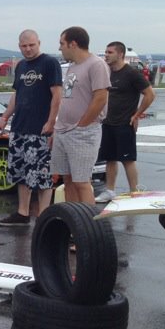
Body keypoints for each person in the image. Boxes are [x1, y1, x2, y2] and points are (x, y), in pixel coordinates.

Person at [0, 30, 62, 227]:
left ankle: (43, 216)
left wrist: (51, 122)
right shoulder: (21, 66)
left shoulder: (50, 63)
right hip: (19, 127)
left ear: (39, 43)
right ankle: (22, 213)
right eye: (24, 46)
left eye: (31, 45)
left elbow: (57, 94)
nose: (28, 49)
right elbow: (17, 94)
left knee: (42, 175)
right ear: (19, 47)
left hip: (40, 129)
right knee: (21, 172)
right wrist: (5, 117)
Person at [52, 26, 110, 205]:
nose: (60, 48)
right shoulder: (72, 66)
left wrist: (82, 124)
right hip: (63, 130)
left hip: (82, 132)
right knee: (68, 179)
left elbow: (101, 97)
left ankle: (88, 220)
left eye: (62, 43)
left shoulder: (96, 65)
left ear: (73, 44)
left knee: (82, 182)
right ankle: (73, 217)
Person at [94, 41, 156, 203]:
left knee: (127, 160)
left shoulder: (131, 73)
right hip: (107, 122)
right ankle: (109, 190)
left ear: (120, 54)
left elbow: (150, 94)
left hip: (124, 123)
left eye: (110, 52)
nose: (106, 55)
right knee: (109, 158)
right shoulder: (107, 73)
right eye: (106, 52)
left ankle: (134, 192)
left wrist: (137, 115)